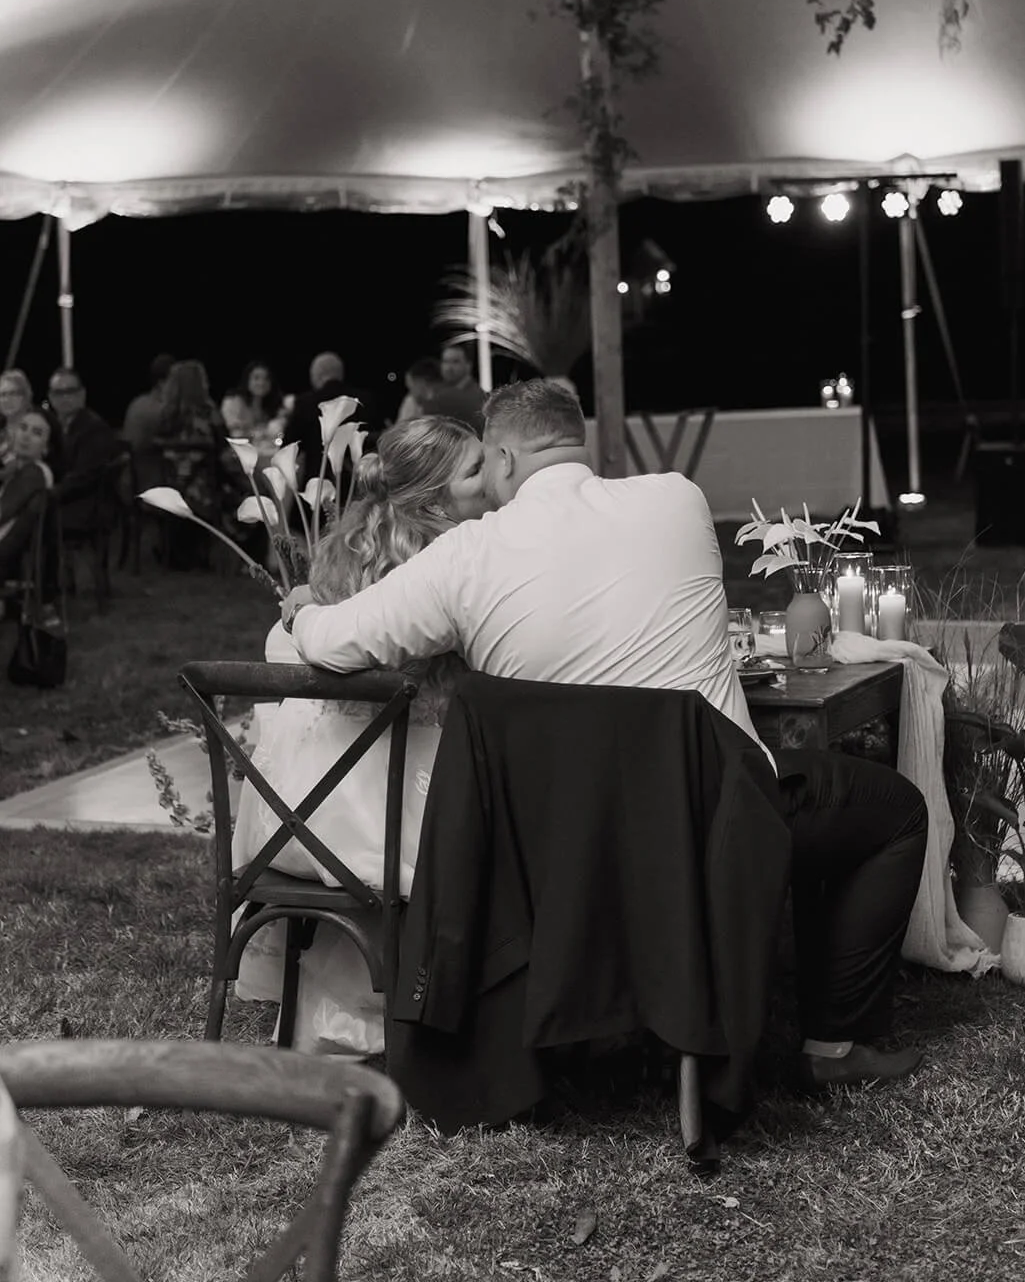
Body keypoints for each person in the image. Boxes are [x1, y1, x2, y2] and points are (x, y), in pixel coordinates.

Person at [283, 378, 928, 1094]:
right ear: (575, 439)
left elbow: (336, 642)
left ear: (500, 459)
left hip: (556, 857)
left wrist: (305, 610)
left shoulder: (463, 556)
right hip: (715, 828)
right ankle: (833, 1042)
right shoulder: (676, 499)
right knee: (891, 811)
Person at [233, 415, 486, 1053]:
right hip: (393, 827)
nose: (494, 481)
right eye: (477, 470)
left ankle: (340, 1020)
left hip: (297, 820)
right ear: (432, 494)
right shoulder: (452, 566)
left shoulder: (341, 554)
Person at [156, 360, 233, 567]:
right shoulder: (210, 414)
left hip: (171, 487)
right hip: (205, 490)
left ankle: (173, 552)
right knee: (245, 486)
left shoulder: (165, 417)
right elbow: (224, 446)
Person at [46, 368, 123, 535]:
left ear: (82, 394)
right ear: (51, 397)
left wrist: (49, 495)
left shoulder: (94, 429)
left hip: (88, 505)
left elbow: (83, 478)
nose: (65, 397)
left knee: (30, 514)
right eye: (59, 393)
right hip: (71, 498)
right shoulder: (55, 426)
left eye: (71, 391)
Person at [284, 352, 381, 483]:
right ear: (340, 374)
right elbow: (376, 439)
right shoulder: (366, 399)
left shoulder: (305, 402)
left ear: (316, 376)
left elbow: (288, 446)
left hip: (317, 481)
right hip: (359, 482)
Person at [0, 409, 54, 580]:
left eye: (36, 433)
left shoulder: (34, 472)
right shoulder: (18, 469)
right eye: (23, 428)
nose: (26, 437)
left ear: (46, 447)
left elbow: (2, 512)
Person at [121, 353, 175, 490]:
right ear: (163, 383)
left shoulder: (138, 402)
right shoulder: (159, 411)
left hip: (136, 484)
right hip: (154, 485)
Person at [220, 360, 286, 456]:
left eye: (266, 379)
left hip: (266, 452)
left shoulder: (274, 405)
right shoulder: (233, 402)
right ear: (247, 380)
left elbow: (279, 433)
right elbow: (235, 433)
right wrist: (258, 434)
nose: (261, 383)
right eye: (256, 378)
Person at [430, 343, 486, 434]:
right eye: (445, 361)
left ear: (468, 365)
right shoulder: (442, 392)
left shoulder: (475, 396)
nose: (449, 367)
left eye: (455, 362)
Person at [0, 369, 35, 472]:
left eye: (13, 393)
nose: (7, 400)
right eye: (3, 395)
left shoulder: (36, 429)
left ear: (25, 396)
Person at [395, 357, 444, 424]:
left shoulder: (435, 406)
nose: (411, 393)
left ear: (421, 382)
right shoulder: (412, 401)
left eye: (411, 387)